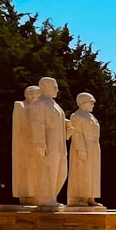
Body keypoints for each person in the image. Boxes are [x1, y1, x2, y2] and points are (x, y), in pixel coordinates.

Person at [28, 77, 71, 207]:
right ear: (45, 87)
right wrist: (39, 142)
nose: (57, 90)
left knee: (62, 172)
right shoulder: (38, 103)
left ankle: (51, 196)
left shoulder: (55, 105)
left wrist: (67, 127)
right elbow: (37, 123)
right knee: (48, 170)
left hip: (59, 143)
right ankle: (46, 199)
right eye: (54, 87)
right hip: (48, 141)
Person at [67, 92, 102, 207]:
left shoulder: (92, 117)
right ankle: (79, 197)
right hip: (83, 146)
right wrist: (81, 148)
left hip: (93, 146)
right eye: (91, 102)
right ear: (83, 102)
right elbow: (77, 133)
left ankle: (90, 197)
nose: (93, 105)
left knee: (92, 173)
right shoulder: (77, 116)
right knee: (81, 172)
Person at [11, 85, 41, 205]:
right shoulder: (21, 106)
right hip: (25, 145)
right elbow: (23, 127)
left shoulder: (38, 108)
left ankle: (41, 195)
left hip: (37, 145)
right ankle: (28, 197)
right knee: (27, 172)